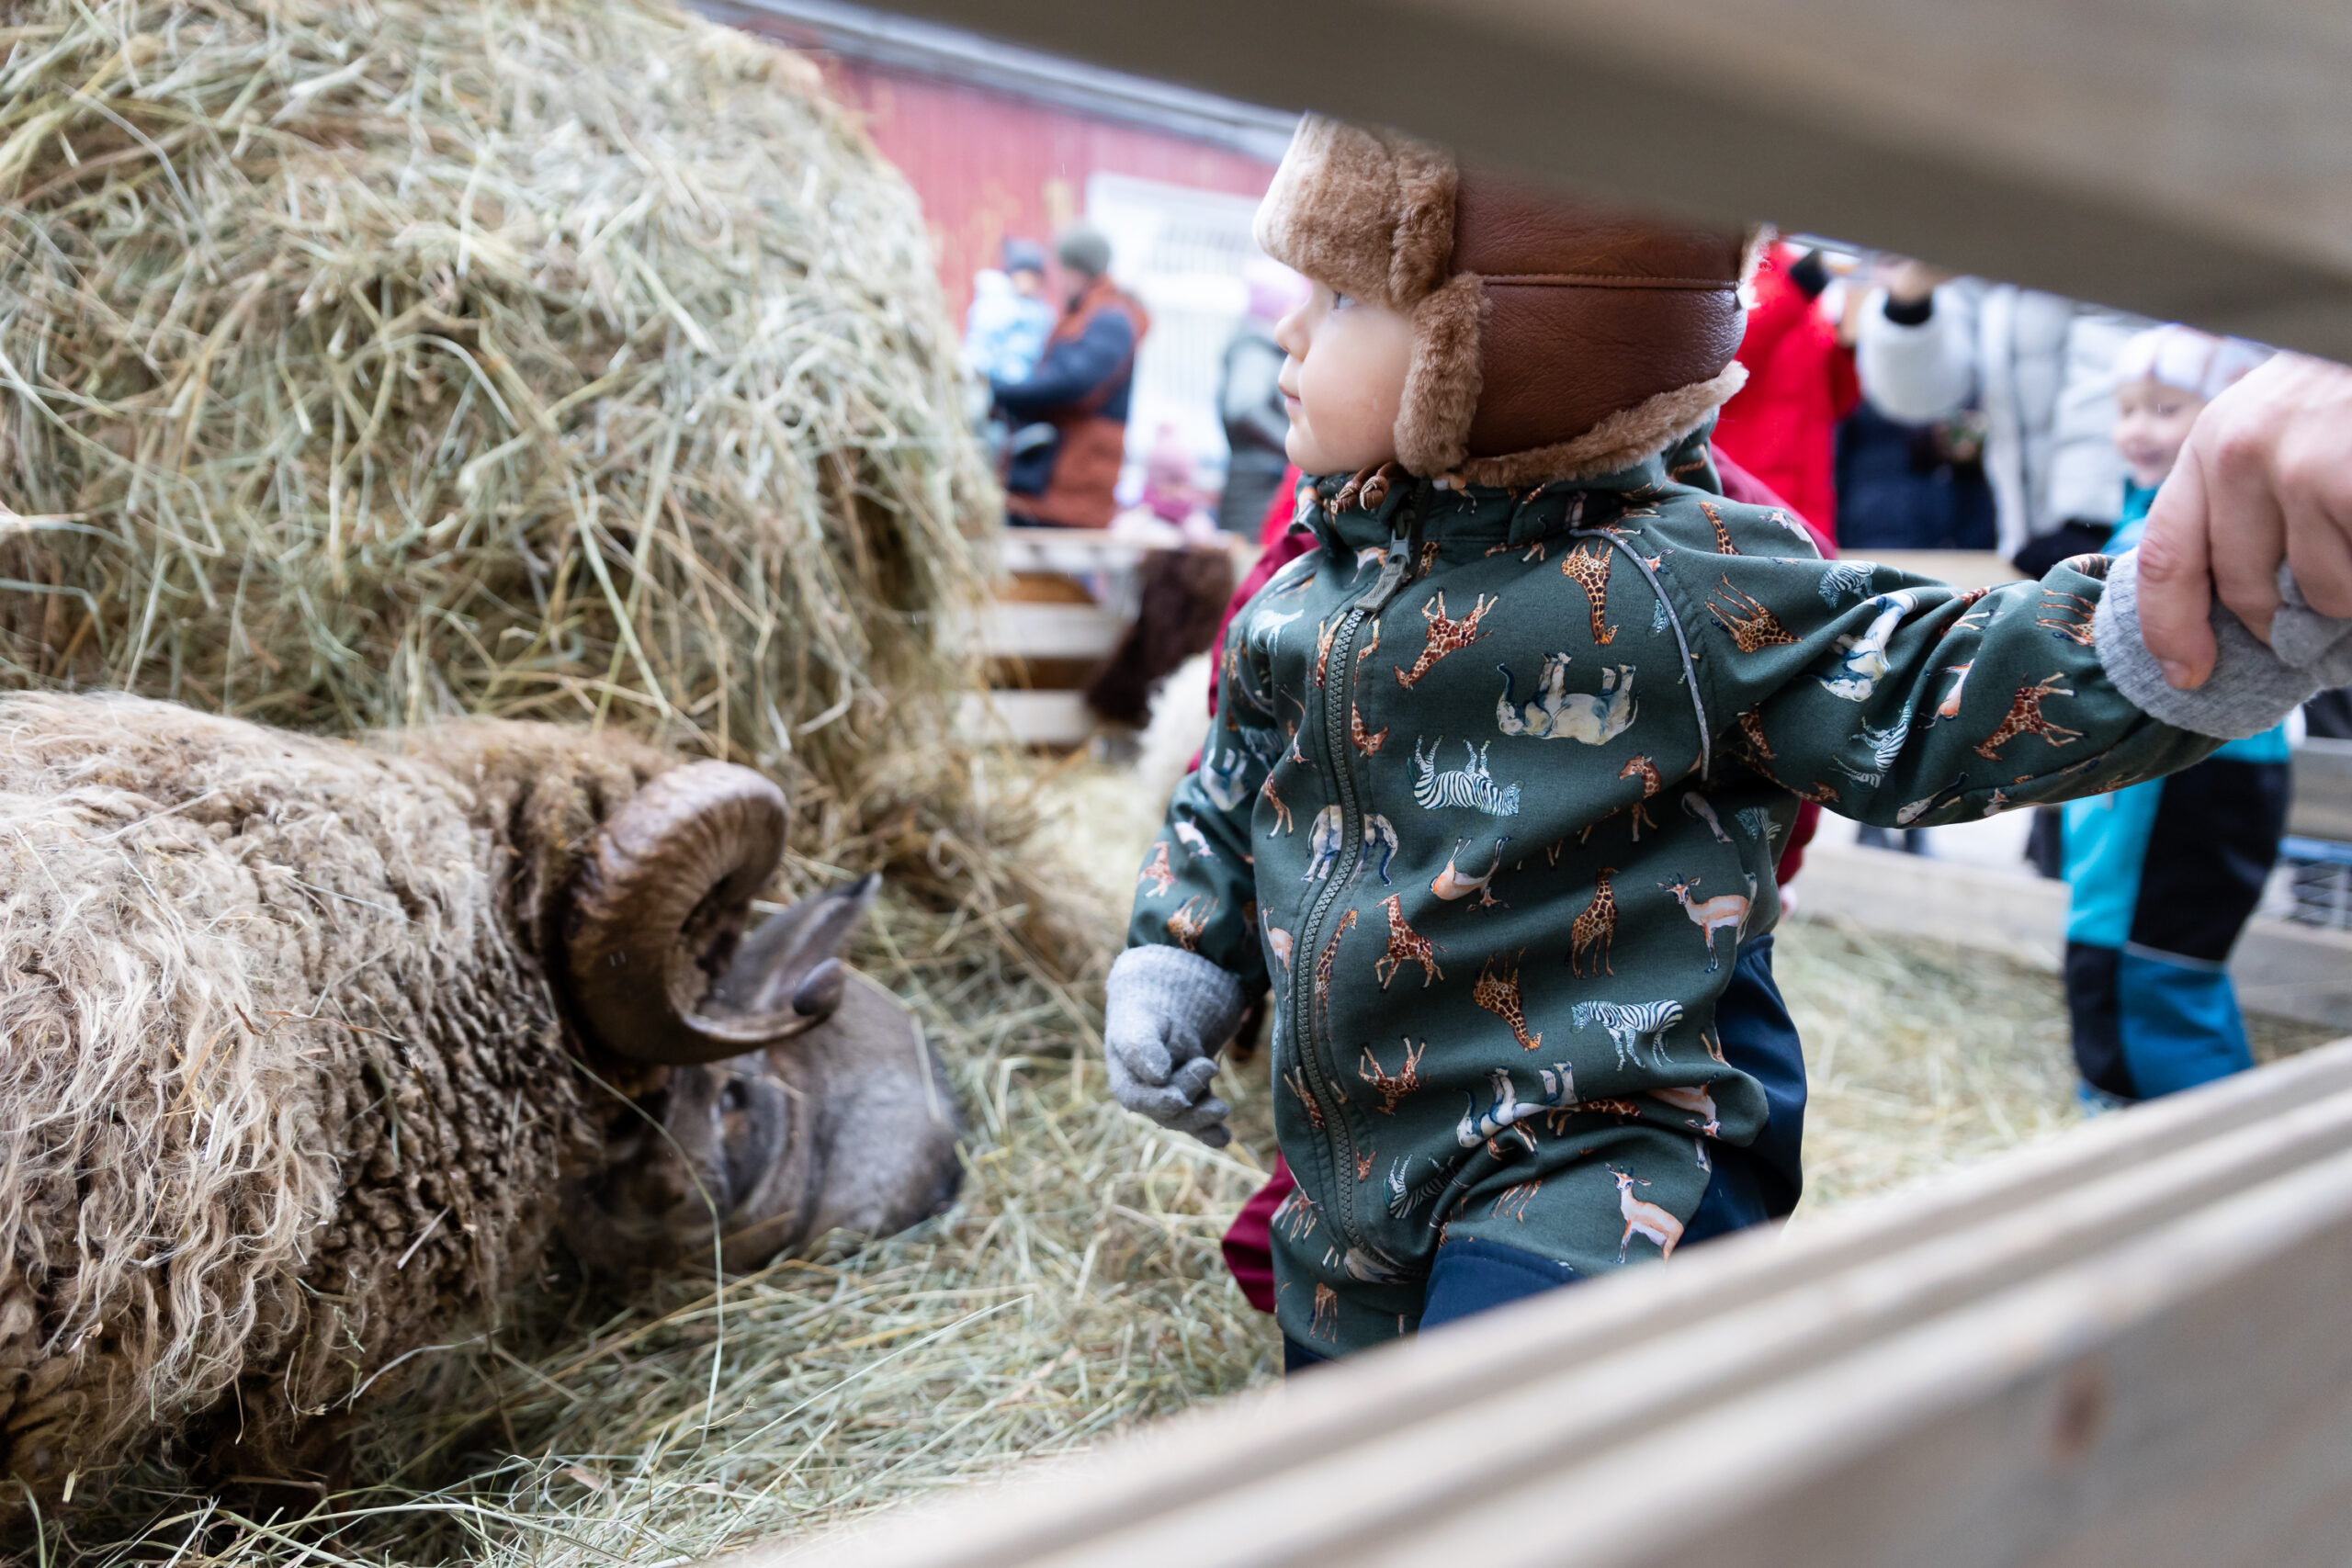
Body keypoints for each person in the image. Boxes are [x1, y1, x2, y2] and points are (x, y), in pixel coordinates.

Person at [1101, 115, 2350, 1369]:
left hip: (1588, 1160)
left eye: (1340, 292)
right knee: (1357, 1466)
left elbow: (1927, 685)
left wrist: (2191, 619)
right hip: (1356, 1168)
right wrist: (1179, 959)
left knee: (1502, 1440)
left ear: (1491, 335)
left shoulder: (1676, 578)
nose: (1288, 330)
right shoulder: (1307, 586)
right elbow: (1235, 788)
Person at [2061, 327, 2284, 1105]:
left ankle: (2175, 1154)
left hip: (2172, 779)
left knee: (2130, 975)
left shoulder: (2188, 536)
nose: (2138, 429)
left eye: (2165, 408)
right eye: (2127, 409)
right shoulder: (2159, 519)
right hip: (2205, 773)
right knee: (2174, 969)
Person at [1855, 264, 2148, 572]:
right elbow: (1917, 399)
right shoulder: (1994, 249)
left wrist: (2089, 521)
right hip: (2029, 534)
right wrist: (1909, 304)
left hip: (2116, 529)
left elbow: (2110, 372)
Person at [992, 225, 1149, 529]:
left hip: (1072, 479)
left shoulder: (1110, 319)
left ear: (1075, 270)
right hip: (1055, 479)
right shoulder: (1088, 314)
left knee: (1051, 573)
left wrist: (1004, 391)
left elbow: (1074, 383)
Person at [1711, 243, 1858, 542]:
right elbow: (1722, 358)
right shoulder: (1724, 267)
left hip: (1810, 502)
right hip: (1745, 498)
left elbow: (1839, 402)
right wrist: (1795, 290)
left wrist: (1849, 349)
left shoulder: (1802, 279)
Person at [1217, 259, 1309, 536]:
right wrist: (1293, 444)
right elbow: (1244, 408)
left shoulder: (1262, 348)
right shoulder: (1255, 349)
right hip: (1256, 483)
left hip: (1261, 477)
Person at [960, 238, 1055, 384]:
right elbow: (981, 340)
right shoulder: (996, 305)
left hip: (1025, 384)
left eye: (1031, 277)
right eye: (1022, 276)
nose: (1026, 283)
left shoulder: (1041, 313)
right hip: (993, 379)